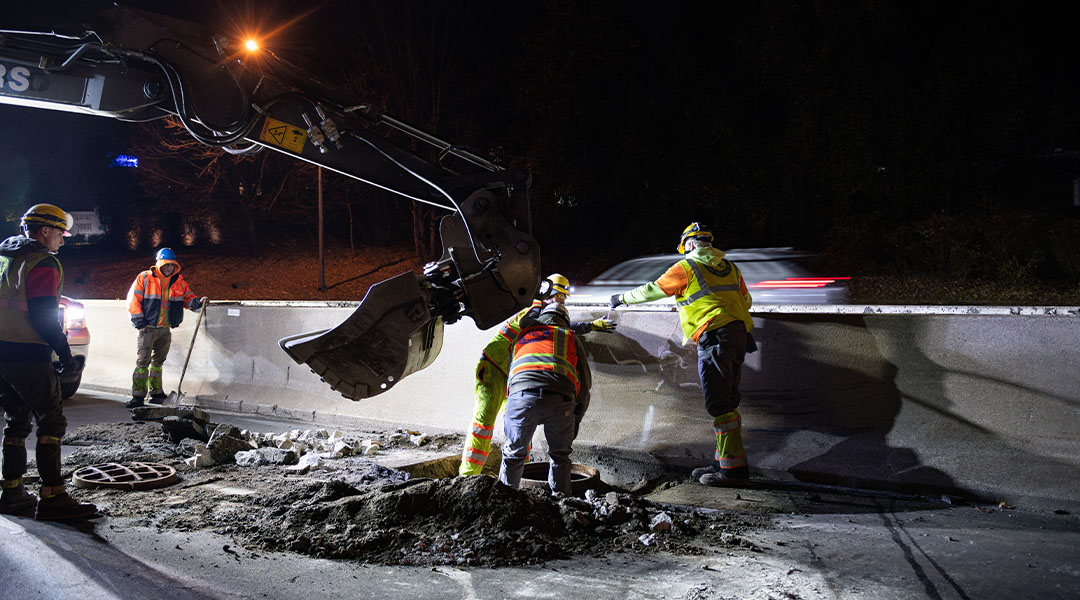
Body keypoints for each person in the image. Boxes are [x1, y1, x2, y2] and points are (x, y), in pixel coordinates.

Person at [610, 222, 756, 487]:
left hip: (715, 337)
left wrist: (621, 298)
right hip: (739, 335)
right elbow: (746, 301)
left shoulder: (688, 266)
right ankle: (724, 462)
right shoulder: (730, 267)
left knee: (720, 403)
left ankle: (734, 472)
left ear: (689, 245)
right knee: (728, 400)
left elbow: (653, 290)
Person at [459, 274, 614, 476]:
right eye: (558, 296)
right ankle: (468, 477)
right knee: (484, 424)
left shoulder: (538, 312)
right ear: (545, 292)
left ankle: (519, 475)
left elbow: (555, 326)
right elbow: (552, 326)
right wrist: (587, 326)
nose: (561, 301)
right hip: (495, 369)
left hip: (516, 375)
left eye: (563, 298)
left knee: (520, 424)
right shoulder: (532, 309)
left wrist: (589, 326)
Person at [0, 204, 98, 520]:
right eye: (60, 233)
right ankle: (53, 496)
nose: (62, 240)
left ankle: (11, 491)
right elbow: (44, 316)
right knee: (51, 421)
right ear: (44, 231)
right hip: (27, 352)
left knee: (15, 422)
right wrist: (64, 353)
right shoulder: (43, 262)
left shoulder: (5, 258)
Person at [498, 301, 593, 494]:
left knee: (513, 455)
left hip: (522, 398)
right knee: (560, 457)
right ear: (565, 321)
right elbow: (584, 385)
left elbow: (512, 375)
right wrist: (575, 419)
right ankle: (560, 505)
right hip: (560, 399)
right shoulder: (569, 336)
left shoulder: (522, 336)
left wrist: (512, 414)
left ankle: (504, 503)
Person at [125, 247, 207, 408]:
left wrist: (198, 302)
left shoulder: (178, 282)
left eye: (172, 265)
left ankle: (156, 393)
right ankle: (138, 396)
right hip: (147, 328)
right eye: (166, 265)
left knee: (158, 362)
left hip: (165, 329)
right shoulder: (145, 278)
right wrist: (139, 322)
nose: (169, 268)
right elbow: (133, 300)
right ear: (159, 264)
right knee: (143, 362)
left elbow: (187, 298)